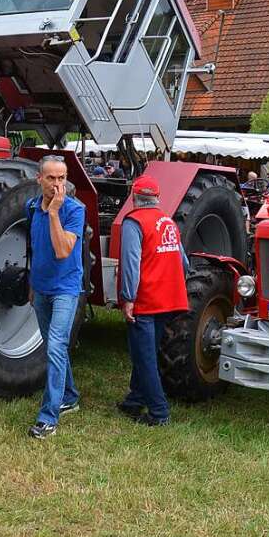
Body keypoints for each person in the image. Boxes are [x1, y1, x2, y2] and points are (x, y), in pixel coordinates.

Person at [117, 174, 189, 426]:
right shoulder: (168, 222)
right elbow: (183, 262)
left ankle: (159, 413)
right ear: (157, 198)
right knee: (146, 351)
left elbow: (130, 264)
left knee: (144, 357)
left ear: (134, 198)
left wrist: (128, 298)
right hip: (168, 300)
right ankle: (134, 400)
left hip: (145, 301)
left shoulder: (133, 222)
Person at [26, 154, 86, 439]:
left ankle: (48, 416)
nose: (57, 184)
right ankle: (70, 395)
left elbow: (63, 250)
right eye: (51, 178)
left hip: (65, 290)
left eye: (62, 178)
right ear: (40, 179)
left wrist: (53, 213)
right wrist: (31, 284)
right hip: (41, 288)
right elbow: (35, 248)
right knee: (54, 346)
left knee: (54, 348)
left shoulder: (74, 210)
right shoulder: (31, 208)